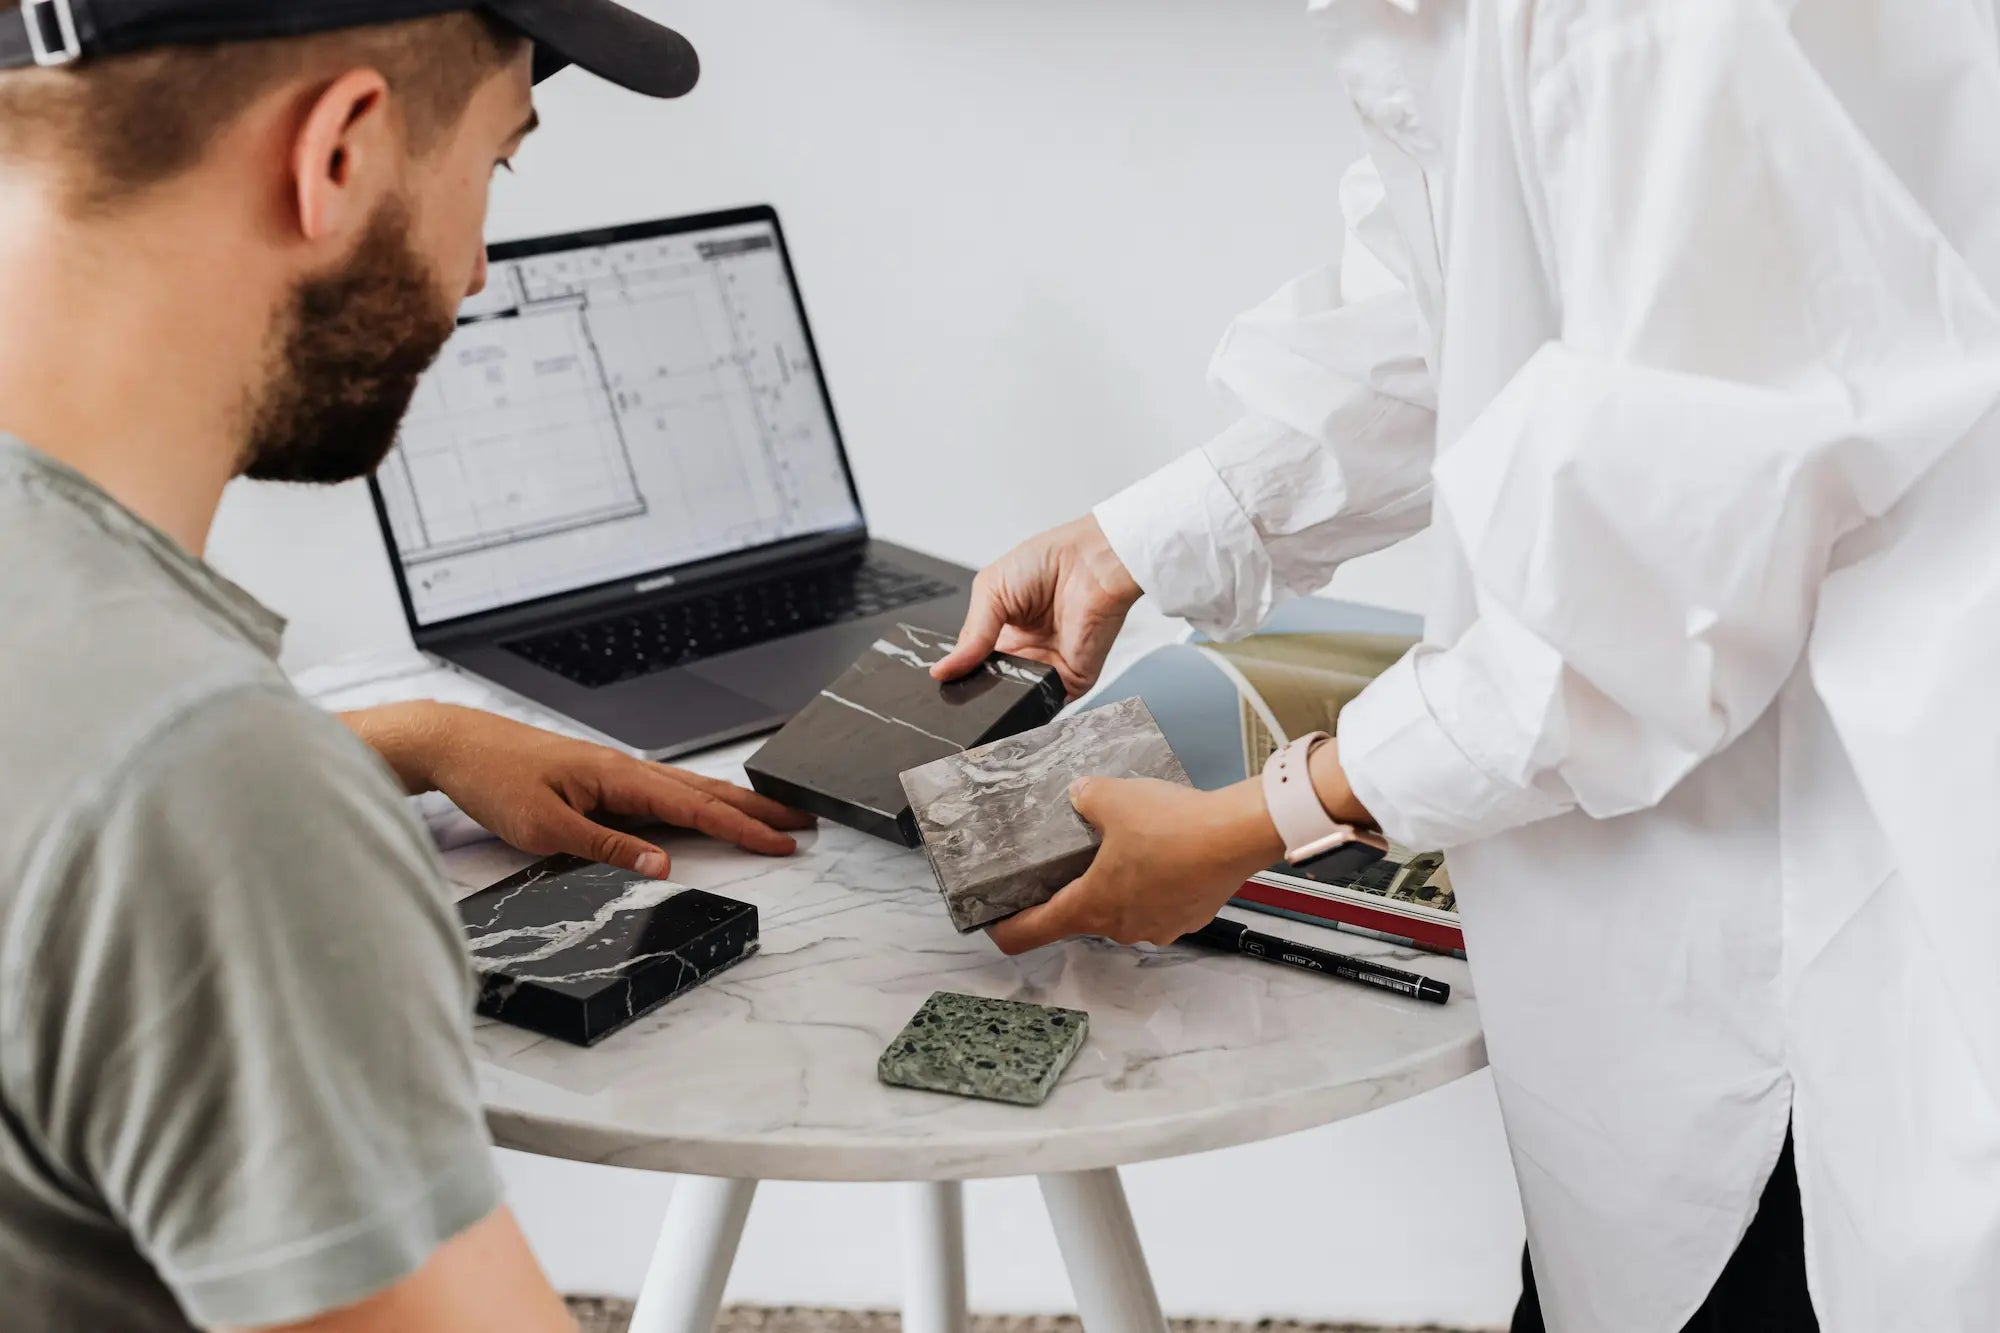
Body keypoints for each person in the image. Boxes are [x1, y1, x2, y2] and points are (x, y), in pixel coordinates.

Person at [936, 2, 2000, 1331]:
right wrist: (1142, 538)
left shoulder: (1653, 28)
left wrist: (1257, 818)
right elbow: (1461, 291)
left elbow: (1627, 631)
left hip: (1850, 871)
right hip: (1706, 850)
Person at [0, 3, 814, 1329]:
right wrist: (265, 785)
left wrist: (395, 739)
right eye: (493, 168)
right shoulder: (206, 790)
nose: (480, 268)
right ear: (337, 153)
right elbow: (166, 797)